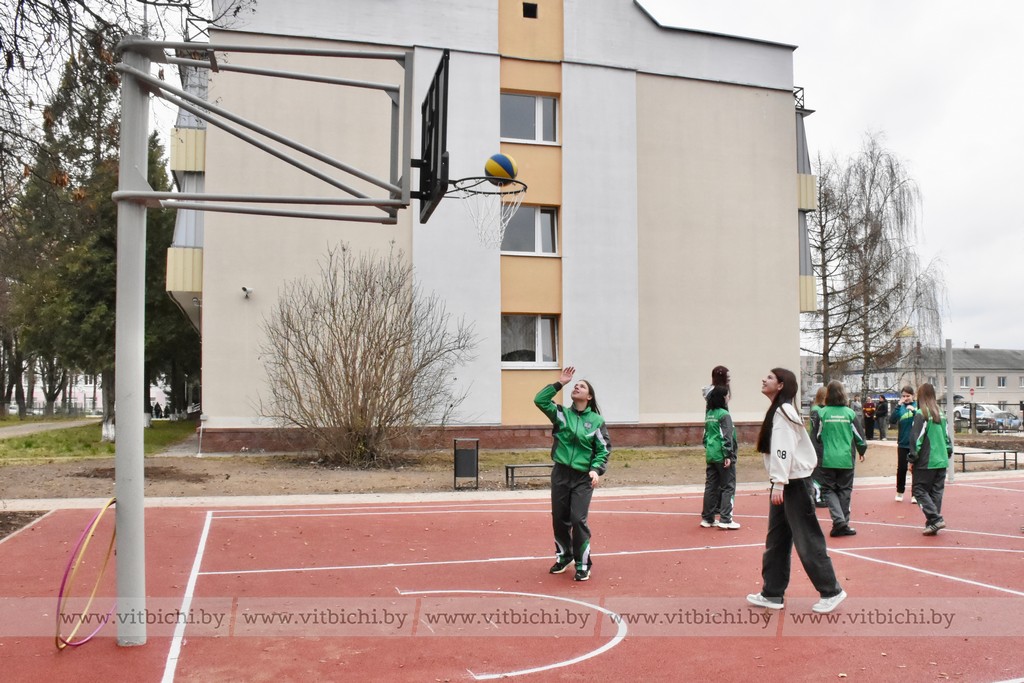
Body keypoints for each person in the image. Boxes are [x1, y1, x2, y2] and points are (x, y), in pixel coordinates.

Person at [746, 368, 847, 614]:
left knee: (807, 539)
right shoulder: (780, 410)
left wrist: (779, 482)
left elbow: (784, 448)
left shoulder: (783, 412)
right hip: (788, 482)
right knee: (777, 540)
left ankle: (831, 590)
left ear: (781, 385)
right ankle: (772, 593)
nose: (763, 379)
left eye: (769, 377)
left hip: (793, 484)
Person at [534, 366, 611, 581]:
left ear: (589, 396)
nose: (577, 386)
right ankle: (564, 555)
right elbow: (539, 400)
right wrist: (561, 383)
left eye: (582, 386)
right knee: (559, 519)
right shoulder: (561, 414)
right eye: (576, 385)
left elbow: (603, 449)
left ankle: (583, 563)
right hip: (560, 474)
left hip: (582, 477)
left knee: (578, 519)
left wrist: (596, 469)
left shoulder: (596, 421)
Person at [813, 381, 868, 537]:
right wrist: (862, 450)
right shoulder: (849, 413)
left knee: (829, 490)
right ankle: (843, 522)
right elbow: (859, 436)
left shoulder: (822, 413)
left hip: (828, 459)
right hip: (845, 459)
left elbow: (817, 436)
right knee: (845, 490)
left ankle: (839, 521)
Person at [909, 382, 952, 535]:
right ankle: (933, 522)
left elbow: (916, 439)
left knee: (918, 490)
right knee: (936, 492)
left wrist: (912, 458)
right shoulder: (941, 414)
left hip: (927, 460)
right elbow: (947, 438)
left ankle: (935, 518)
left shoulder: (922, 414)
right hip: (941, 459)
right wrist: (948, 452)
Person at [700, 385, 739, 529]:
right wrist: (728, 454)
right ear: (723, 397)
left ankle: (707, 518)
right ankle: (725, 519)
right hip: (722, 456)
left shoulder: (709, 414)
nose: (729, 397)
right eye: (727, 395)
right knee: (728, 486)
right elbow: (727, 436)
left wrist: (710, 448)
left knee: (711, 487)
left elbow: (705, 436)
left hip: (711, 454)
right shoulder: (724, 414)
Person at [889, 386, 918, 502]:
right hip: (902, 443)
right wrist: (898, 406)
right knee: (901, 468)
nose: (905, 398)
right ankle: (899, 491)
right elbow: (891, 420)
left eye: (908, 396)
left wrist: (914, 411)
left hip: (915, 443)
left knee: (915, 469)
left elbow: (923, 419)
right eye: (903, 396)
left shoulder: (917, 406)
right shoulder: (900, 408)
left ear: (913, 396)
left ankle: (915, 494)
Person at [808, 386, 828, 508]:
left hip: (817, 442)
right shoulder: (817, 410)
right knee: (818, 472)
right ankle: (818, 497)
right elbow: (817, 429)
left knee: (821, 470)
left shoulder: (818, 409)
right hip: (817, 443)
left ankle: (819, 495)